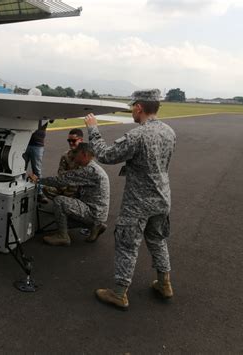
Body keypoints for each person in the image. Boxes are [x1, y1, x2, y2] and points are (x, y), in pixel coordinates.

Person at [86, 89, 176, 310]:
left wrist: (93, 130)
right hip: (162, 197)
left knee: (127, 244)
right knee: (157, 240)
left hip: (138, 201)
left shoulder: (138, 135)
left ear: (139, 107)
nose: (131, 112)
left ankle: (119, 293)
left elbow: (106, 155)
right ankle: (165, 284)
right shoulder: (169, 132)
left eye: (132, 107)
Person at [29, 142, 109, 246]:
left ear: (84, 154)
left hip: (93, 211)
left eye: (77, 153)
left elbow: (60, 181)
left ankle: (63, 236)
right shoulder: (92, 168)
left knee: (59, 201)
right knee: (65, 217)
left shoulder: (89, 170)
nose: (74, 156)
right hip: (96, 210)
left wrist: (38, 180)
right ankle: (95, 226)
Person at [43, 128, 84, 200]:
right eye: (69, 140)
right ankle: (63, 201)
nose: (71, 143)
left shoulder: (85, 157)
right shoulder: (65, 156)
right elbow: (61, 173)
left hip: (78, 191)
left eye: (74, 141)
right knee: (45, 187)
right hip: (65, 187)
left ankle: (66, 202)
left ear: (81, 140)